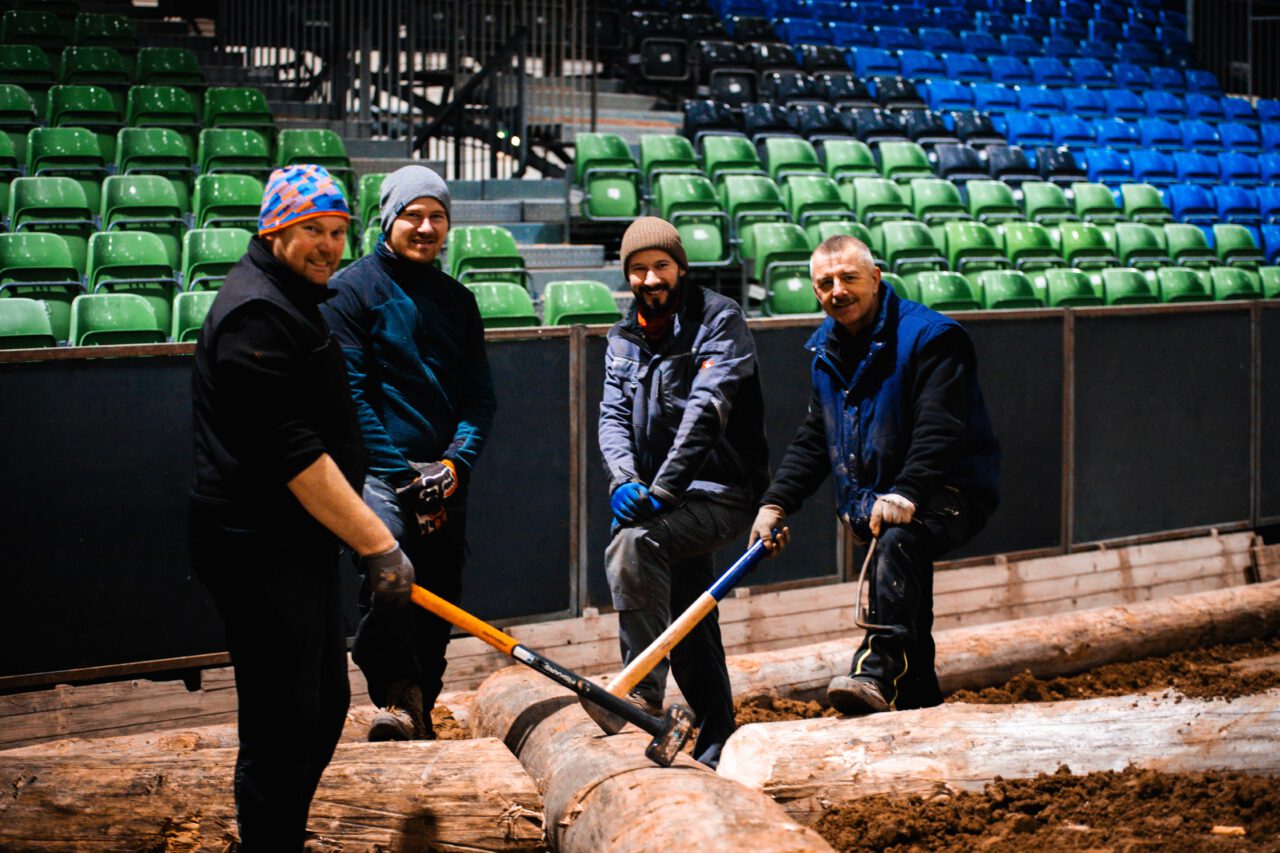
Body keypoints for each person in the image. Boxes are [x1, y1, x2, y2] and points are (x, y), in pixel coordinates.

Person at [190, 164, 416, 849]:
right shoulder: (256, 313)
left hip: (298, 543)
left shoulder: (292, 295)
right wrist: (378, 540)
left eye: (338, 231)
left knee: (320, 709)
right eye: (311, 230)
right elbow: (293, 455)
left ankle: (278, 834)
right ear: (274, 228)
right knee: (280, 723)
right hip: (258, 547)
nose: (328, 245)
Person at [749, 234, 1000, 716]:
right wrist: (775, 503)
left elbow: (940, 426)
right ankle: (920, 706)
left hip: (950, 488)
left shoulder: (933, 337)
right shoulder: (825, 351)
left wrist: (906, 491)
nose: (837, 290)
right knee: (907, 598)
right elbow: (814, 438)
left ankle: (873, 670)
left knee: (898, 545)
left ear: (876, 277)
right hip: (882, 499)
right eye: (825, 283)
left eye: (849, 278)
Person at [322, 164, 496, 742]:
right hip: (379, 472)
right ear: (388, 218)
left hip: (445, 471)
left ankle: (420, 708)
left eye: (436, 217)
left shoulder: (459, 300)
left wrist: (454, 465)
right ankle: (395, 695)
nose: (425, 227)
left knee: (441, 595)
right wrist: (401, 476)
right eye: (413, 215)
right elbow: (351, 394)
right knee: (390, 579)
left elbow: (480, 397)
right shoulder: (350, 291)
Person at [599, 216, 770, 768]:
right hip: (660, 495)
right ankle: (718, 729)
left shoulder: (720, 319)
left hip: (721, 491)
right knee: (689, 614)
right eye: (639, 269)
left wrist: (663, 490)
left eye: (661, 266)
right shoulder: (622, 336)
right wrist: (624, 479)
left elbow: (708, 411)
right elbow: (612, 416)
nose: (651, 278)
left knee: (633, 544)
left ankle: (641, 691)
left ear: (680, 268)